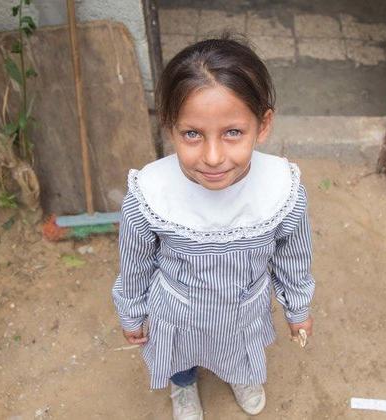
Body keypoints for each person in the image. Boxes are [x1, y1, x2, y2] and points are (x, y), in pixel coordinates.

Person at [112, 35, 316, 420]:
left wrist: (298, 306)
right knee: (180, 354)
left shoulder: (282, 191)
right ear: (169, 126)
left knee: (239, 350)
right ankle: (183, 383)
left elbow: (293, 256)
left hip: (245, 309)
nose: (212, 156)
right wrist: (132, 312)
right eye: (192, 134)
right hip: (177, 312)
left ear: (263, 124)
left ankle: (240, 375)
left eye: (233, 132)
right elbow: (135, 263)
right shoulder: (150, 194)